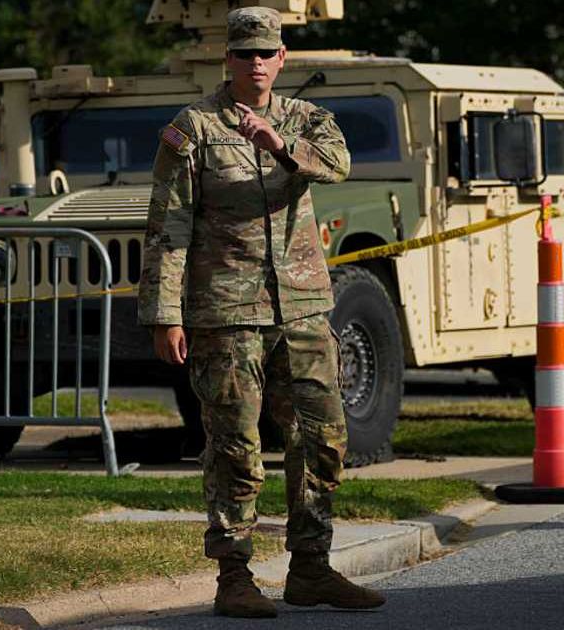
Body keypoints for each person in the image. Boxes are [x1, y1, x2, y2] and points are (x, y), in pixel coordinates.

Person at [138, 6, 385, 618]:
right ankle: (234, 576)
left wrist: (280, 145)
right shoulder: (191, 128)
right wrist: (165, 314)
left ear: (282, 59)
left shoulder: (307, 120)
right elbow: (168, 227)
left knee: (323, 437)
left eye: (265, 53)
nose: (255, 63)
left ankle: (311, 569)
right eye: (244, 52)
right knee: (235, 446)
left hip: (301, 308)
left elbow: (339, 164)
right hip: (226, 312)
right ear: (228, 58)